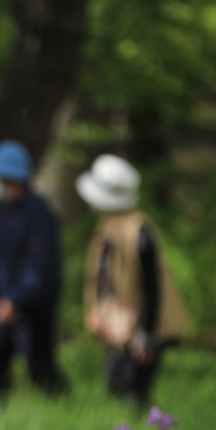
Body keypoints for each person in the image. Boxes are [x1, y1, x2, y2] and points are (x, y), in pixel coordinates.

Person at [76, 154, 188, 405]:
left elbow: (152, 285)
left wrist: (146, 334)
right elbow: (103, 279)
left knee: (134, 388)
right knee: (115, 384)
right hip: (119, 324)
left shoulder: (139, 231)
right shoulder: (107, 227)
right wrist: (98, 311)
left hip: (143, 323)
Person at [0, 139, 66, 401]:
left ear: (9, 179)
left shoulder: (36, 213)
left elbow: (38, 262)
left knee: (40, 366)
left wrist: (16, 299)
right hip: (5, 301)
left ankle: (63, 406)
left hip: (31, 306)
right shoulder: (5, 210)